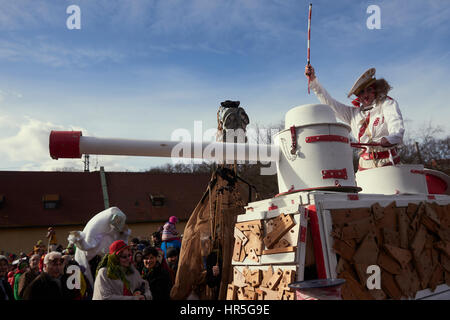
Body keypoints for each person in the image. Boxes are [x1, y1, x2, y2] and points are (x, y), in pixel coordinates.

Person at [305, 65, 405, 171]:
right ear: (358, 96)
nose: (365, 95)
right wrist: (313, 81)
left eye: (368, 90)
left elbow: (396, 126)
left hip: (388, 162)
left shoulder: (387, 103)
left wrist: (390, 139)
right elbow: (330, 103)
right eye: (361, 92)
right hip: (364, 164)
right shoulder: (353, 114)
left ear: (375, 90)